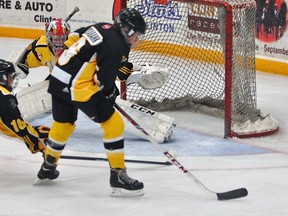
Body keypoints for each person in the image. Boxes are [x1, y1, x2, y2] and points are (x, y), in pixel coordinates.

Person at [35, 8, 147, 197]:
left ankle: (48, 166)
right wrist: (111, 93)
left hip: (57, 78)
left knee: (64, 124)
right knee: (113, 122)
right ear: (126, 30)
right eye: (136, 34)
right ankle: (118, 176)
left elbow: (73, 37)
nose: (137, 39)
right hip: (77, 87)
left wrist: (77, 64)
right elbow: (106, 81)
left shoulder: (101, 27)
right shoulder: (117, 46)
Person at [0, 59, 49, 154]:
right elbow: (17, 127)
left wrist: (33, 130)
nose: (12, 79)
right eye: (10, 76)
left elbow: (4, 125)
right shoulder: (5, 97)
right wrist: (35, 142)